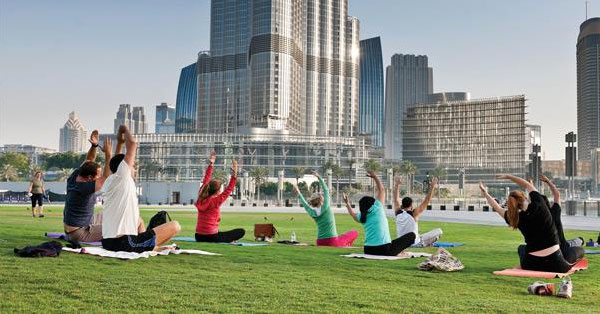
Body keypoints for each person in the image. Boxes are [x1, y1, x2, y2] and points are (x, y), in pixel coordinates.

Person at [480, 174, 584, 273]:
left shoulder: (515, 218)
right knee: (580, 251)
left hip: (530, 263)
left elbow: (497, 208)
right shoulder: (539, 204)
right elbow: (527, 185)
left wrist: (485, 193)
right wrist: (509, 177)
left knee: (522, 249)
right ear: (524, 197)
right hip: (555, 263)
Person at [101, 125, 181, 252]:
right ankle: (149, 248)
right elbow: (132, 144)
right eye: (133, 166)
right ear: (124, 167)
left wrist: (120, 143)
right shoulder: (123, 176)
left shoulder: (111, 180)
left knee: (139, 221)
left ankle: (147, 246)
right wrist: (123, 128)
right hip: (124, 243)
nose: (135, 168)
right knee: (175, 226)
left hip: (108, 242)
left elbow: (116, 161)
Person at [344, 171, 415, 256]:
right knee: (412, 236)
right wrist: (375, 177)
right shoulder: (377, 207)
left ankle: (397, 251)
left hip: (368, 249)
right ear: (372, 203)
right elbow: (381, 190)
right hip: (384, 249)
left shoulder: (362, 216)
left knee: (393, 242)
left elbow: (353, 214)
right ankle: (399, 252)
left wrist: (347, 203)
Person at [63, 130, 111, 242]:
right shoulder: (84, 188)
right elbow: (105, 177)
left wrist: (94, 146)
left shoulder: (75, 176)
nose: (98, 177)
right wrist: (108, 154)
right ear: (89, 177)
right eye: (97, 175)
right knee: (118, 226)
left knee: (113, 213)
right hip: (79, 233)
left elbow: (89, 160)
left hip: (75, 228)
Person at [293, 171, 358, 247]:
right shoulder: (326, 207)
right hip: (332, 241)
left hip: (320, 242)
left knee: (343, 237)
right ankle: (347, 245)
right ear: (321, 199)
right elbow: (326, 190)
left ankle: (347, 245)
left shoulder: (311, 212)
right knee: (354, 232)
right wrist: (319, 177)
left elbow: (305, 204)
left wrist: (298, 191)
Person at [195, 151, 244, 243]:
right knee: (241, 231)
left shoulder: (201, 197)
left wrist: (211, 164)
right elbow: (229, 188)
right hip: (211, 236)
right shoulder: (216, 200)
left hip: (198, 236)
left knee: (221, 234)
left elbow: (206, 180)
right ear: (217, 191)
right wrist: (235, 171)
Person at [539, 174, 584, 262]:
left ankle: (579, 240)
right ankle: (580, 240)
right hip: (563, 250)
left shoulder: (539, 217)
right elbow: (557, 194)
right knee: (579, 247)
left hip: (551, 250)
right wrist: (547, 181)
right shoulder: (554, 212)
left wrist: (530, 185)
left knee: (572, 242)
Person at [394, 177, 442, 247]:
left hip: (401, 243)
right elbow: (427, 200)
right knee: (439, 231)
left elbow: (396, 200)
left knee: (419, 235)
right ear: (411, 205)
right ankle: (428, 243)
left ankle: (425, 241)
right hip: (415, 243)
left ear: (402, 205)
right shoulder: (414, 213)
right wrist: (432, 187)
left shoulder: (397, 213)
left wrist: (397, 185)